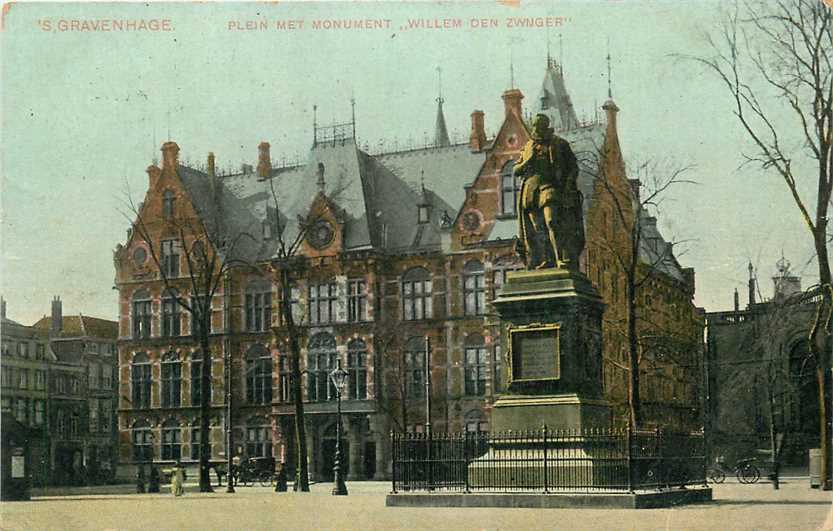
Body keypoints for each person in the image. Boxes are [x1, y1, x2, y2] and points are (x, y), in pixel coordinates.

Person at [514, 113, 585, 270]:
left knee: (552, 221)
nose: (536, 129)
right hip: (531, 192)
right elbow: (516, 170)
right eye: (534, 126)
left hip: (551, 187)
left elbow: (573, 167)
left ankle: (560, 258)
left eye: (539, 126)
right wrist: (528, 160)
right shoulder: (528, 147)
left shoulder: (560, 144)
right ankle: (547, 259)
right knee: (539, 228)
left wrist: (568, 185)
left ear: (545, 126)